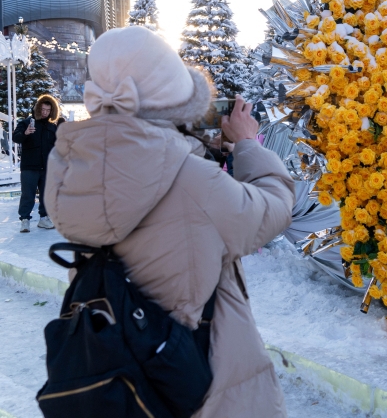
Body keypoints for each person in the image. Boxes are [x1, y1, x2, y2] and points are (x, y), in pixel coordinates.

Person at [44, 26, 296, 418]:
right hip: (202, 381)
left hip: (121, 374)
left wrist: (196, 149)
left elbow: (143, 172)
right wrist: (247, 144)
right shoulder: (193, 181)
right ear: (173, 96)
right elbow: (274, 209)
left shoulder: (73, 168)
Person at [12, 94, 61, 232]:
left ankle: (44, 218)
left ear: (52, 111)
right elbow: (16, 137)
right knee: (28, 194)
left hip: (47, 167)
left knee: (46, 194)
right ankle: (25, 220)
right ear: (38, 108)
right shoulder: (26, 122)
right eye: (43, 109)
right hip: (29, 166)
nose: (45, 112)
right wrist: (26, 133)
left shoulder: (52, 127)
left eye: (48, 110)